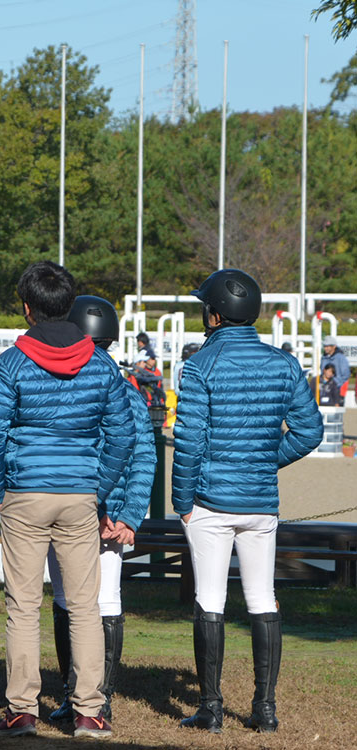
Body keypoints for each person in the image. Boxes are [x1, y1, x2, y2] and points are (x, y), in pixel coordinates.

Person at [0, 261, 134, 740]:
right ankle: (89, 712)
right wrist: (98, 488)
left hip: (24, 492)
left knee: (23, 605)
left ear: (27, 308)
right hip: (80, 494)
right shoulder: (100, 364)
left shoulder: (11, 363)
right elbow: (123, 435)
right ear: (70, 305)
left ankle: (22, 711)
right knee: (84, 605)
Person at [173, 269, 323, 734]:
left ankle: (211, 709)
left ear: (215, 315)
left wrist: (182, 502)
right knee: (262, 597)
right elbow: (309, 432)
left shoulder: (200, 365)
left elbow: (189, 442)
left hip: (210, 501)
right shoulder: (284, 363)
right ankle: (265, 709)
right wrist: (262, 461)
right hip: (260, 502)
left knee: (210, 599)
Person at [46, 296, 156, 725]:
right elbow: (144, 458)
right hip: (109, 515)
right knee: (106, 600)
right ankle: (98, 699)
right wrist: (128, 514)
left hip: (73, 507)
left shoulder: (64, 382)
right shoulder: (129, 391)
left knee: (65, 601)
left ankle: (74, 693)